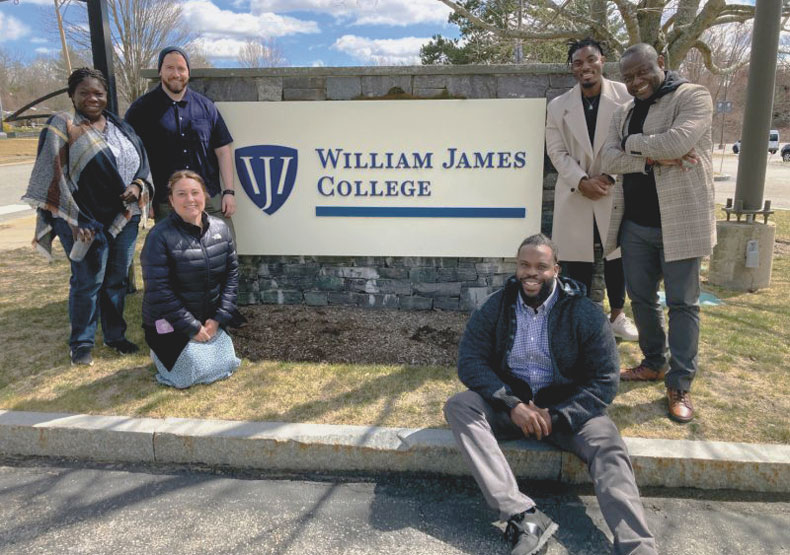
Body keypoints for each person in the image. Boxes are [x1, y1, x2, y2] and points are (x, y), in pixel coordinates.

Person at [444, 234, 657, 555]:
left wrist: (556, 415)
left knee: (608, 445)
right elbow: (470, 362)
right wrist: (511, 404)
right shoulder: (496, 306)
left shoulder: (584, 313)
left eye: (541, 266)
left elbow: (604, 381)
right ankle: (523, 516)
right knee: (461, 406)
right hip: (512, 408)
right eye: (524, 265)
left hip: (567, 412)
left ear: (556, 270)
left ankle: (637, 545)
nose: (531, 273)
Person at [601, 43, 716, 423]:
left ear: (660, 64)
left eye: (642, 72)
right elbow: (607, 158)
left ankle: (680, 383)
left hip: (680, 221)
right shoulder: (625, 111)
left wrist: (633, 146)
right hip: (635, 223)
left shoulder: (692, 97)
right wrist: (652, 155)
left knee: (682, 304)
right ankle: (654, 362)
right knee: (641, 299)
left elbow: (679, 141)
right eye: (629, 77)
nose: (636, 82)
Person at [22, 67, 152, 366]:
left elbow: (142, 164)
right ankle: (81, 343)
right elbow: (50, 176)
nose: (92, 98)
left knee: (116, 281)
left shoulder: (121, 127)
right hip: (82, 222)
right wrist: (72, 219)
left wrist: (138, 185)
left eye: (99, 93)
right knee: (87, 282)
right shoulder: (63, 125)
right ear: (72, 95)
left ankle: (115, 336)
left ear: (107, 96)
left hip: (124, 218)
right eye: (85, 93)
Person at [546, 38, 638, 342]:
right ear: (571, 68)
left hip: (615, 187)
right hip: (576, 191)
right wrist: (582, 180)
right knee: (576, 259)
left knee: (616, 255)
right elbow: (556, 152)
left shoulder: (625, 97)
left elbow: (633, 141)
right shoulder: (558, 106)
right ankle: (579, 318)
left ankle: (617, 316)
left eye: (591, 60)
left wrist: (609, 176)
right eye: (578, 62)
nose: (585, 67)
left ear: (603, 61)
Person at [140, 170, 241, 388]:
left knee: (227, 362)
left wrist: (217, 320)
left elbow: (231, 277)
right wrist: (192, 328)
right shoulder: (159, 236)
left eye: (195, 192)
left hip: (209, 321)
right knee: (192, 372)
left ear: (204, 196)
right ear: (171, 200)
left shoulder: (221, 228)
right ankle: (160, 352)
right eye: (181, 194)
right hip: (170, 323)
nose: (190, 199)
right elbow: (159, 291)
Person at [124, 46, 236, 228]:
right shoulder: (141, 110)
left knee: (224, 252)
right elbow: (130, 156)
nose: (176, 74)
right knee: (176, 256)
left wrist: (229, 192)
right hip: (167, 202)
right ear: (160, 70)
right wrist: (145, 196)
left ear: (188, 72)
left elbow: (223, 151)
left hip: (210, 199)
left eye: (181, 68)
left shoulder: (207, 107)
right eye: (169, 68)